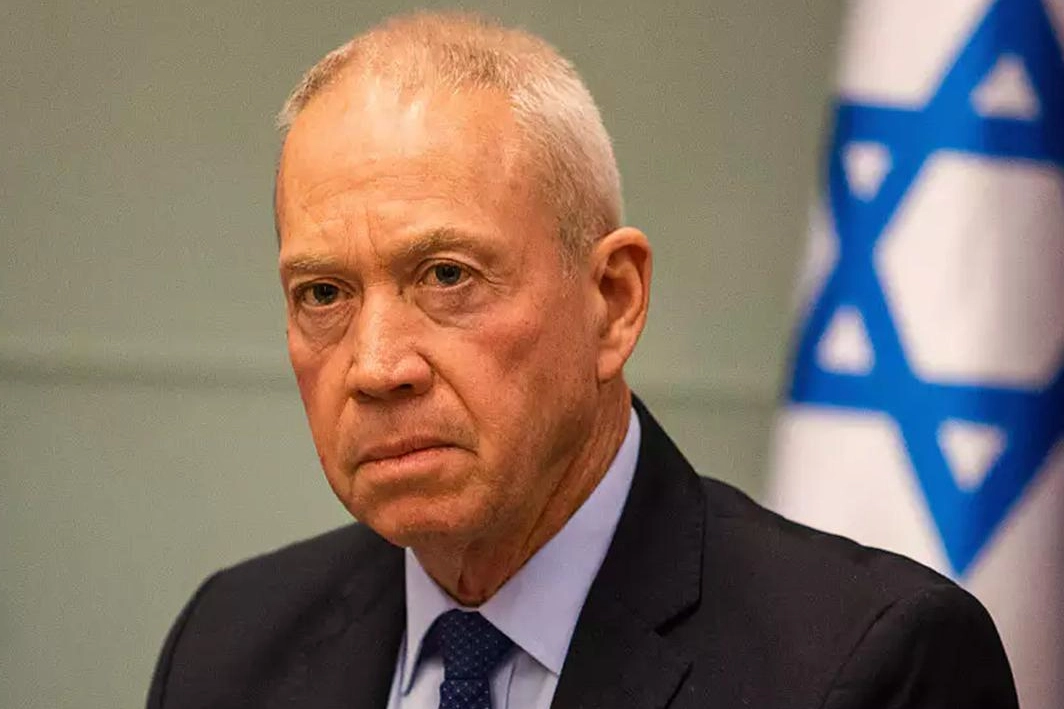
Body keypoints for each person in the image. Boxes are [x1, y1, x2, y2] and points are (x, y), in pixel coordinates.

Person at [148, 11, 1018, 709]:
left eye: (447, 275)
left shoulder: (869, 663)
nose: (376, 365)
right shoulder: (228, 647)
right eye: (323, 293)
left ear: (613, 300)